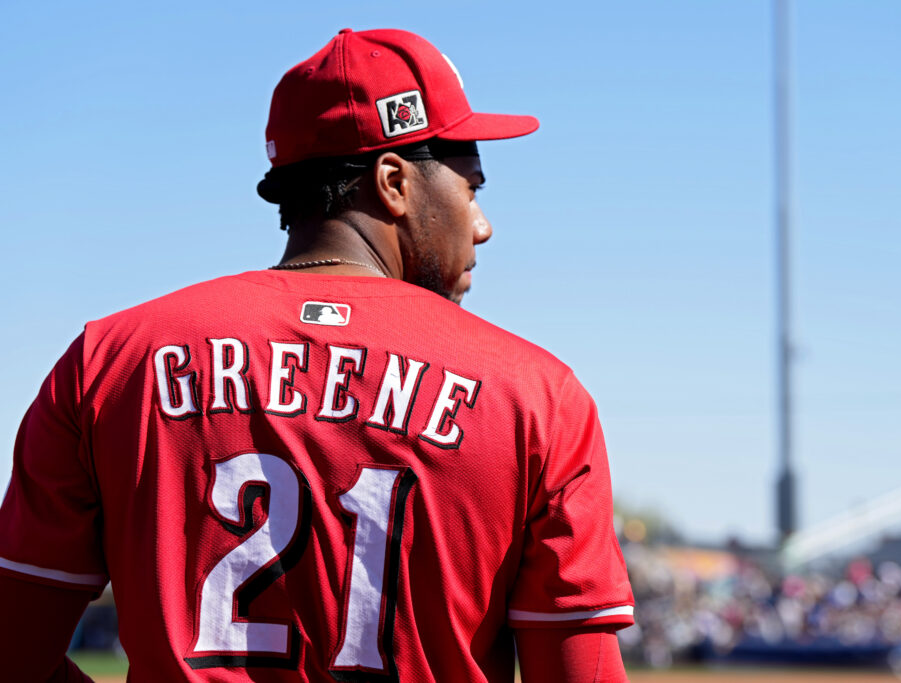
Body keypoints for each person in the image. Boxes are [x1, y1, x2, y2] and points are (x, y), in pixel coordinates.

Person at [0, 28, 634, 681]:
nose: (482, 225)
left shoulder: (108, 360)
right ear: (394, 183)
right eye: (472, 187)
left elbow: (12, 652)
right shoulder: (538, 395)